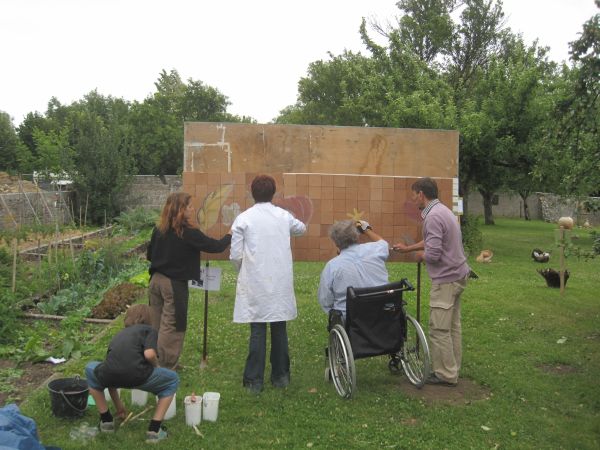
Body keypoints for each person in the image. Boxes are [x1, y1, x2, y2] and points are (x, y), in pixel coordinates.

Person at [230, 174, 306, 394]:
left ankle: (254, 381)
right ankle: (281, 376)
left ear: (252, 193)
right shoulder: (283, 216)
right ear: (273, 193)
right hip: (280, 281)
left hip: (255, 281)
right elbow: (301, 228)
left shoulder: (243, 218)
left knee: (257, 329)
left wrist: (244, 271)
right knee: (279, 327)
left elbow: (235, 255)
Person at [393, 177, 470, 387]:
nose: (412, 199)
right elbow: (431, 241)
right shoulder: (442, 211)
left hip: (446, 280)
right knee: (452, 326)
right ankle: (452, 369)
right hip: (458, 275)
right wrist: (408, 248)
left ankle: (445, 375)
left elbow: (434, 254)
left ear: (421, 194)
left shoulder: (433, 217)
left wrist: (420, 256)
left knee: (439, 329)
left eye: (413, 194)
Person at [147, 192, 231, 370]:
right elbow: (216, 246)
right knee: (172, 325)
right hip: (173, 285)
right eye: (190, 206)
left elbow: (149, 255)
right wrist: (230, 234)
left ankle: (152, 361)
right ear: (180, 210)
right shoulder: (189, 233)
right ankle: (165, 366)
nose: (193, 209)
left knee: (155, 322)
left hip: (155, 281)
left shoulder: (159, 230)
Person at [85, 304, 179, 443]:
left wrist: (119, 406)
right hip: (138, 375)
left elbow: (113, 373)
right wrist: (156, 366)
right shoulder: (149, 330)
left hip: (109, 373)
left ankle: (106, 421)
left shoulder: (119, 334)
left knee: (90, 368)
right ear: (149, 319)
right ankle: (154, 430)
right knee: (172, 379)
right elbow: (149, 354)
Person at [317, 219, 389, 326]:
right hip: (383, 314)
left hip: (351, 321)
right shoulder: (375, 250)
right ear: (357, 236)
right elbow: (383, 243)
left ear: (335, 242)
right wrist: (366, 229)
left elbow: (325, 301)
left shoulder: (332, 266)